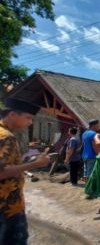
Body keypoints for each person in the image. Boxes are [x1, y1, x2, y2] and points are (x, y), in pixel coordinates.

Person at [0, 98, 50, 244]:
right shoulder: (6, 137)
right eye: (28, 118)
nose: (30, 123)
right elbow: (2, 172)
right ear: (13, 115)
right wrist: (35, 164)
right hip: (7, 205)